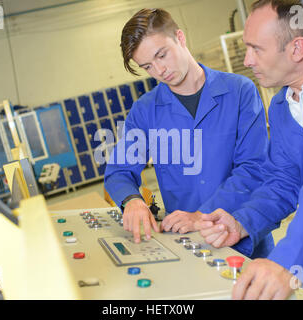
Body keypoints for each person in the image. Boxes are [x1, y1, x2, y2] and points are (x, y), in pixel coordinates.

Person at [195, 0, 303, 300]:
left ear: (297, 48)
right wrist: (242, 221)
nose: (248, 60)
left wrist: (289, 259)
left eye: (256, 49)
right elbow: (285, 181)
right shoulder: (281, 106)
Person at [103, 8, 274, 259]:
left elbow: (253, 168)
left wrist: (201, 217)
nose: (160, 70)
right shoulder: (145, 110)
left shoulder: (239, 92)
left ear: (180, 38)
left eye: (162, 55)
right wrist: (132, 200)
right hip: (189, 244)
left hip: (243, 236)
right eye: (148, 66)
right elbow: (119, 171)